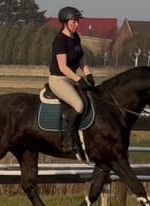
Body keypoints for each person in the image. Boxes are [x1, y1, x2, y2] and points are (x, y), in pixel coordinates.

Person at [48, 6, 95, 154]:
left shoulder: (76, 37)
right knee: (79, 105)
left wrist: (88, 74)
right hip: (59, 80)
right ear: (65, 22)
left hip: (72, 79)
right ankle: (69, 140)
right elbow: (62, 67)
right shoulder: (59, 40)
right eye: (73, 22)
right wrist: (79, 79)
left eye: (77, 22)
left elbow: (80, 58)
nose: (76, 24)